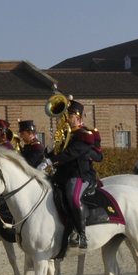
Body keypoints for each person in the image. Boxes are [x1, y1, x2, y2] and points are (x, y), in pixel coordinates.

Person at [48, 100, 102, 250]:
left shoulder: (86, 135)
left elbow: (94, 155)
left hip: (79, 173)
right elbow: (58, 153)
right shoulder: (64, 134)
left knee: (73, 196)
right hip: (62, 174)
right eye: (66, 114)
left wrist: (52, 160)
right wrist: (50, 149)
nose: (66, 117)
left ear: (78, 117)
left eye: (70, 114)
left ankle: (81, 234)